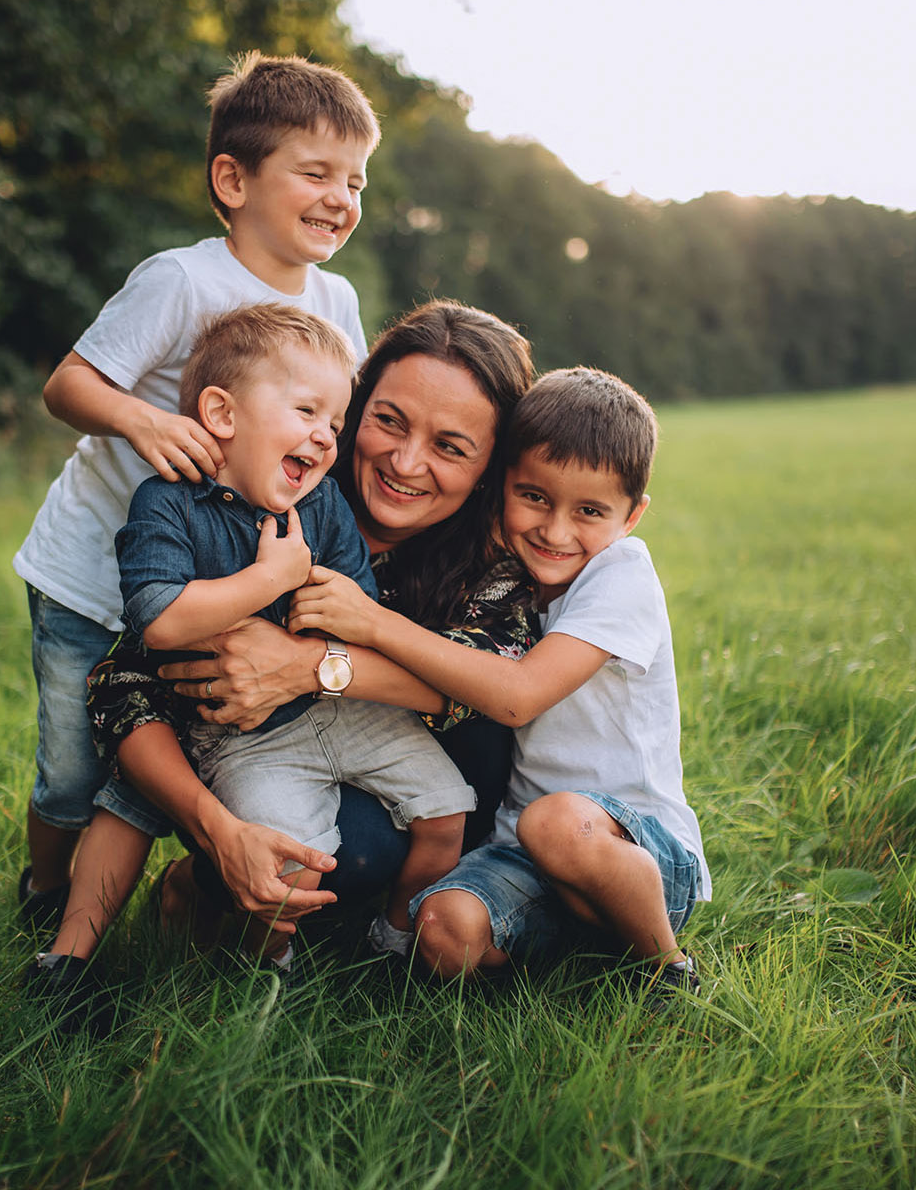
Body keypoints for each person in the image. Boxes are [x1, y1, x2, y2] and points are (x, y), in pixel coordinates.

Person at [7, 52, 379, 937]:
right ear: (233, 177)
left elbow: (339, 427)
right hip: (91, 576)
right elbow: (68, 385)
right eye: (316, 172)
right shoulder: (181, 279)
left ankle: (167, 896)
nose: (341, 198)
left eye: (357, 181)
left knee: (169, 751)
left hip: (205, 585)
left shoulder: (337, 300)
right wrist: (140, 421)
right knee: (71, 768)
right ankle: (45, 892)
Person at [75, 301, 537, 962]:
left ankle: (391, 930)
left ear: (490, 466)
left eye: (450, 447)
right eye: (387, 421)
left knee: (470, 760)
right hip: (252, 765)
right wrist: (216, 830)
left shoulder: (489, 560)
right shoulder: (272, 493)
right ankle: (218, 887)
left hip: (399, 768)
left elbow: (497, 687)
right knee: (330, 846)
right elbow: (124, 684)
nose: (406, 462)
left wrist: (314, 663)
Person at [289, 367, 711, 998]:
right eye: (535, 497)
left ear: (633, 515)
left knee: (559, 823)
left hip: (636, 850)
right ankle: (569, 952)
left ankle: (664, 968)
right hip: (522, 849)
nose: (556, 531)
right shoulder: (507, 578)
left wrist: (371, 623)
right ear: (501, 485)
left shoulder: (620, 574)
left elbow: (515, 696)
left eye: (590, 511)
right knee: (441, 929)